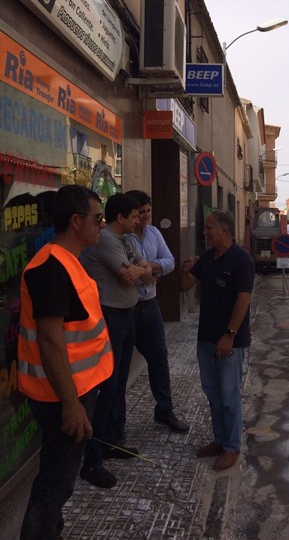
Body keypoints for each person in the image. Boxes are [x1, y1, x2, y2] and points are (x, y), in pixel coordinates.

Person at [18, 185, 113, 539]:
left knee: (60, 483)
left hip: (76, 390)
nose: (101, 226)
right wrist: (72, 406)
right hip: (60, 396)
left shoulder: (70, 263)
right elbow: (50, 341)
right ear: (76, 221)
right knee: (53, 486)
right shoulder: (50, 268)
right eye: (98, 218)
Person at [79, 193, 154, 488]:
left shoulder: (129, 240)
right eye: (135, 216)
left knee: (117, 386)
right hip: (110, 318)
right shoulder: (107, 239)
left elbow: (149, 274)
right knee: (106, 389)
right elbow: (130, 276)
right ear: (120, 217)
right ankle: (92, 460)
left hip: (127, 315)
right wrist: (141, 271)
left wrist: (142, 271)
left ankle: (111, 442)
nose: (139, 220)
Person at [179, 210, 254, 472]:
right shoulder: (207, 259)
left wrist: (229, 335)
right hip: (206, 338)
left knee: (229, 395)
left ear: (224, 230)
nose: (204, 232)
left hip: (229, 341)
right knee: (212, 393)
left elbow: (243, 299)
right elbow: (184, 286)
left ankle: (232, 446)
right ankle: (220, 440)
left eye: (209, 228)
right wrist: (186, 270)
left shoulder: (241, 259)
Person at [123, 190, 189, 434]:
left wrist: (146, 269)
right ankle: (115, 424)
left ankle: (164, 411)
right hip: (125, 310)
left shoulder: (153, 233)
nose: (146, 216)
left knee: (159, 360)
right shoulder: (121, 238)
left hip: (150, 306)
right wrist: (149, 273)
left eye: (148, 211)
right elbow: (124, 273)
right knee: (120, 369)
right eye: (141, 213)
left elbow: (170, 261)